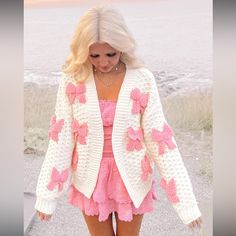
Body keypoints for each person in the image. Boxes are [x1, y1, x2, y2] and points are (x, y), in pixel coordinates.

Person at [35, 5, 202, 236]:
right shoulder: (73, 80)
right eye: (95, 55)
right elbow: (61, 139)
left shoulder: (142, 80)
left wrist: (187, 205)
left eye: (111, 54)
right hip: (89, 180)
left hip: (132, 178)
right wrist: (46, 196)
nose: (103, 62)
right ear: (84, 51)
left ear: (122, 47)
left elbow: (162, 143)